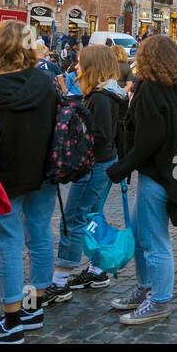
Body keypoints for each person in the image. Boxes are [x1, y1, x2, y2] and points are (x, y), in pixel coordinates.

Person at [106, 36, 177, 324]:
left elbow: (150, 139)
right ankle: (145, 287)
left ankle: (160, 300)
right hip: (169, 170)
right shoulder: (171, 88)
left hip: (157, 173)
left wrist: (121, 167)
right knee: (139, 233)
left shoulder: (150, 89)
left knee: (153, 240)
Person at [0, 21, 61, 344]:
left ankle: (12, 319)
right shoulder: (46, 81)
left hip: (4, 176)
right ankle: (33, 306)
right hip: (44, 170)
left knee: (8, 243)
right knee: (39, 234)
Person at [51, 45, 124, 293]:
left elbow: (101, 134)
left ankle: (59, 280)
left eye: (81, 63)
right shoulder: (106, 94)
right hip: (104, 163)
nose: (77, 68)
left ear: (92, 66)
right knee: (93, 217)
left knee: (74, 218)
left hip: (95, 165)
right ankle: (97, 269)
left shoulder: (100, 97)